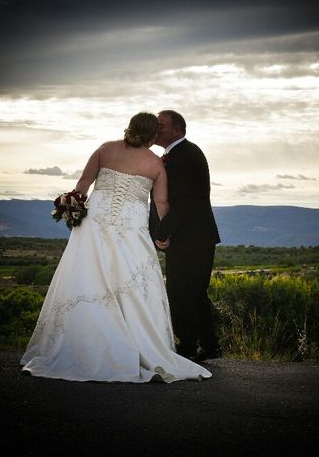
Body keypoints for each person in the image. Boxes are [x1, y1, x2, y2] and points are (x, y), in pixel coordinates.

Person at [20, 112, 212, 383]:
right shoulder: (156, 164)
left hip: (95, 225)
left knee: (89, 279)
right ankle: (138, 343)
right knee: (132, 285)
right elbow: (161, 204)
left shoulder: (104, 149)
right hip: (130, 230)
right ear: (151, 135)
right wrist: (162, 234)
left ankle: (80, 345)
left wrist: (72, 207)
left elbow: (83, 185)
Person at [150, 110, 222, 362]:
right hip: (187, 237)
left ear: (177, 130)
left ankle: (188, 347)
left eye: (161, 126)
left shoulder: (188, 155)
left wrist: (163, 231)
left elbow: (187, 201)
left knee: (184, 292)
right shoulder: (173, 156)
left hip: (194, 238)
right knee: (191, 292)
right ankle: (209, 344)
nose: (156, 129)